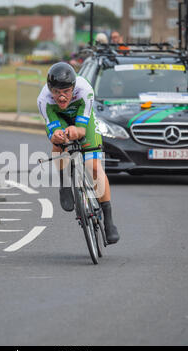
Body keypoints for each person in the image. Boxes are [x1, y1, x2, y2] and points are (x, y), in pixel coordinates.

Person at [37, 62, 120, 244]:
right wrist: (58, 134)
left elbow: (81, 130)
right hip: (60, 119)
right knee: (59, 144)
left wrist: (78, 131)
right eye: (57, 91)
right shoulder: (43, 100)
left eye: (66, 91)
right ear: (49, 88)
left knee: (94, 167)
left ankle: (108, 219)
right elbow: (52, 131)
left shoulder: (85, 90)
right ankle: (65, 183)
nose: (61, 96)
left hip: (83, 121)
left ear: (73, 87)